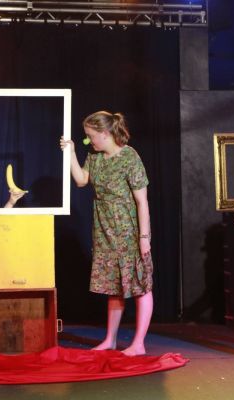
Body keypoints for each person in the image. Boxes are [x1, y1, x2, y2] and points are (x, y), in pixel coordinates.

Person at [60, 111, 153, 356]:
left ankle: (138, 344)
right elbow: (81, 180)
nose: (88, 140)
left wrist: (144, 238)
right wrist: (71, 153)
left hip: (128, 229)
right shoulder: (95, 157)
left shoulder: (129, 157)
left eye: (90, 136)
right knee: (113, 286)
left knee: (140, 285)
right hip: (104, 229)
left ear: (105, 133)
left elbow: (142, 201)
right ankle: (110, 340)